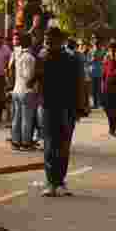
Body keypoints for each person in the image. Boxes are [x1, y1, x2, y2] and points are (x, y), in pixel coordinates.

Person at [39, 27, 87, 197]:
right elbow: (35, 79)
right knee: (50, 146)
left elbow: (80, 83)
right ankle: (51, 182)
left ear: (59, 41)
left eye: (50, 39)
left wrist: (81, 106)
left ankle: (59, 181)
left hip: (67, 108)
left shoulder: (72, 59)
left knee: (63, 145)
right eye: (46, 39)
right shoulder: (42, 58)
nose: (47, 42)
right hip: (48, 107)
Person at [9, 33, 38, 151]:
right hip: (26, 91)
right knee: (26, 119)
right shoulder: (29, 57)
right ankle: (26, 143)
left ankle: (16, 141)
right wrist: (35, 77)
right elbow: (28, 76)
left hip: (16, 90)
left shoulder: (18, 55)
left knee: (17, 117)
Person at [102, 42, 116, 136]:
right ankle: (113, 125)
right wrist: (102, 85)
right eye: (111, 50)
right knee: (106, 107)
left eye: (114, 50)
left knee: (114, 108)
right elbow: (105, 73)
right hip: (107, 87)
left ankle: (112, 128)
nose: (112, 52)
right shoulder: (106, 59)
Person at [87, 36, 105, 110]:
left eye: (98, 44)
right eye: (96, 44)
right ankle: (95, 103)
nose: (97, 46)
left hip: (99, 71)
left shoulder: (102, 52)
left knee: (99, 88)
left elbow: (104, 61)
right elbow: (88, 61)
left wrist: (100, 59)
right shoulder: (91, 51)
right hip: (94, 71)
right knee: (94, 89)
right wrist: (93, 59)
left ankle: (100, 103)